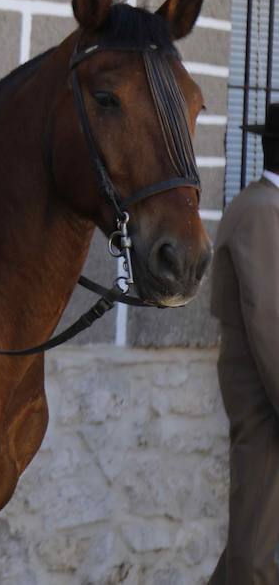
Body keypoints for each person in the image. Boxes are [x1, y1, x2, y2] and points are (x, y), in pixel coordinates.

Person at [210, 101, 279, 584]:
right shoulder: (261, 212)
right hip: (265, 399)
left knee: (252, 537)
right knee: (256, 549)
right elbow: (270, 321)